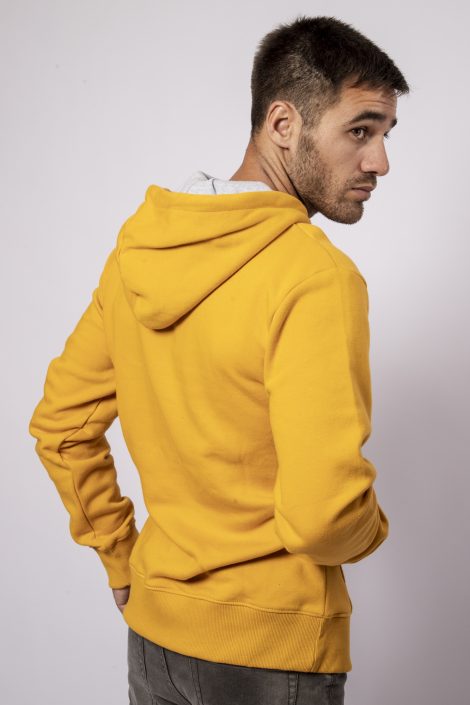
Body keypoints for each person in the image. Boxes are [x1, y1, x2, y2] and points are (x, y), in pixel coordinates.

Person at [28, 14, 409, 705]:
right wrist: (375, 527)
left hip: (156, 640)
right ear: (284, 124)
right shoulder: (314, 277)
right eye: (361, 130)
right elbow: (325, 518)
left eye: (386, 134)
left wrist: (122, 559)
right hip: (271, 652)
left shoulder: (140, 251)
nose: (380, 161)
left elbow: (60, 425)